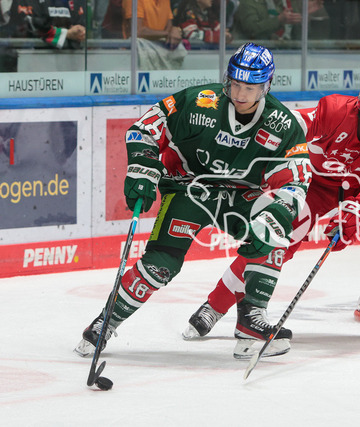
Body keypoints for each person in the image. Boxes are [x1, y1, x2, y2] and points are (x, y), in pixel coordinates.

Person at [74, 43, 311, 360]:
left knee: (271, 236)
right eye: (235, 84)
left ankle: (251, 323)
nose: (240, 93)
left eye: (249, 88)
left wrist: (278, 213)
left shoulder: (281, 123)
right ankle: (104, 324)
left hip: (241, 196)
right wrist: (143, 166)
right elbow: (145, 128)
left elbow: (296, 178)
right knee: (161, 264)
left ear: (266, 86)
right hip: (188, 188)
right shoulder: (199, 101)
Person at [183, 68, 360, 350]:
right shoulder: (333, 109)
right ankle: (215, 305)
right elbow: (289, 127)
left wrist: (356, 213)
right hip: (314, 185)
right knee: (275, 234)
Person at [233, 0, 328, 41]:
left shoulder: (288, 3)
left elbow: (299, 38)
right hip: (254, 57)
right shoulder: (249, 2)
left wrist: (304, 17)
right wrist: (279, 20)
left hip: (286, 55)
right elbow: (251, 30)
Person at [8, 0, 87, 49]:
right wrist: (66, 33)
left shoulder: (75, 2)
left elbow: (80, 25)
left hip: (70, 59)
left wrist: (79, 31)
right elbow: (29, 23)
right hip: (33, 58)